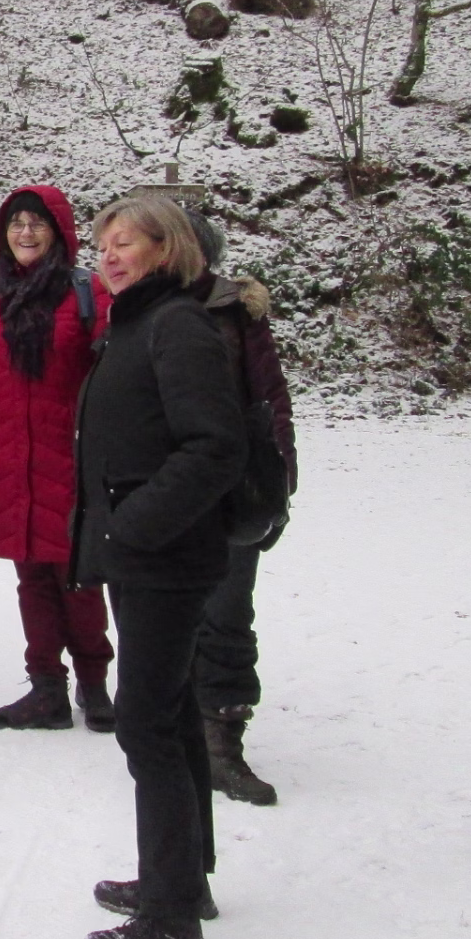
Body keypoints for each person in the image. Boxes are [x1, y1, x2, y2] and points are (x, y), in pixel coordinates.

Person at [70, 195, 244, 939]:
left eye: (126, 243)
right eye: (103, 244)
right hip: (143, 553)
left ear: (167, 250)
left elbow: (214, 448)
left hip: (165, 557)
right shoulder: (135, 322)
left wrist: (134, 525)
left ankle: (171, 921)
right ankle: (182, 881)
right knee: (169, 719)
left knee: (147, 726)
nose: (109, 256)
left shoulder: (177, 325)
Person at [0, 185, 117, 733]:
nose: (26, 233)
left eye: (37, 223)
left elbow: (111, 379)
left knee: (79, 576)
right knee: (32, 579)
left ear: (58, 232)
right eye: (16, 223)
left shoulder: (89, 294)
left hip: (71, 460)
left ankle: (94, 683)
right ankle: (46, 687)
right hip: (8, 459)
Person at [180, 210, 297, 805]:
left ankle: (221, 743)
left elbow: (270, 400)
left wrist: (278, 484)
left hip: (230, 488)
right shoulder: (130, 309)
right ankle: (173, 733)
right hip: (160, 489)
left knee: (227, 616)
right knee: (166, 618)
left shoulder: (237, 313)